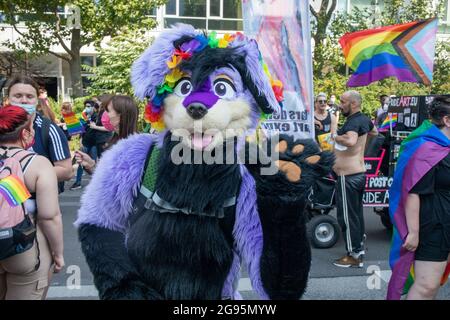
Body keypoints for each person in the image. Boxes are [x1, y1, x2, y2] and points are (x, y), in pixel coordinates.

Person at [387, 96, 450, 300]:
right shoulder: (426, 148)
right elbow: (412, 191)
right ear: (447, 120)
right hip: (434, 225)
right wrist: (413, 233)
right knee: (426, 285)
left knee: (436, 281)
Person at [0, 105, 64, 300]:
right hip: (24, 246)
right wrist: (58, 253)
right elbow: (49, 216)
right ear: (26, 133)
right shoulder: (38, 164)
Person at [331, 90, 378, 268]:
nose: (340, 105)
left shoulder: (353, 122)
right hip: (357, 173)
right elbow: (375, 132)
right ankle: (358, 245)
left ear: (354, 104)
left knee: (346, 217)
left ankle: (354, 255)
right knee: (356, 214)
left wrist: (335, 136)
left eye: (343, 102)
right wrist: (360, 150)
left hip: (347, 176)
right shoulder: (364, 119)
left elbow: (350, 141)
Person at [6, 75, 73, 184]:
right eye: (18, 96)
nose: (24, 101)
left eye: (29, 96)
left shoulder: (49, 129)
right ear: (8, 99)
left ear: (37, 101)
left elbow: (66, 171)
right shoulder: (2, 127)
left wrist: (22, 176)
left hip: (38, 198)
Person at [75, 95, 139, 174]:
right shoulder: (114, 141)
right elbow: (106, 177)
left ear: (121, 115)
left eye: (108, 111)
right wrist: (91, 165)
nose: (105, 114)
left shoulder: (136, 149)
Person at [70, 100, 98, 190]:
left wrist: (86, 118)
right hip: (85, 144)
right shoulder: (83, 118)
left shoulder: (96, 117)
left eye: (89, 106)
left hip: (94, 144)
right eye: (86, 106)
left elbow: (95, 125)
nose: (87, 108)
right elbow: (80, 130)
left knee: (93, 164)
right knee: (81, 163)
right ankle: (78, 182)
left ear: (94, 107)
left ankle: (97, 182)